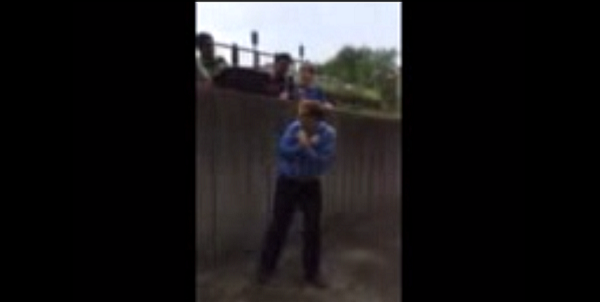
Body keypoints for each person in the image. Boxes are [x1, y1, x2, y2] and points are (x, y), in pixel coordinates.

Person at [257, 101, 336, 288]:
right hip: (288, 182)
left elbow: (322, 163)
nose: (300, 120)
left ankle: (312, 273)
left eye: (304, 117)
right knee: (279, 225)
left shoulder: (328, 134)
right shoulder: (294, 128)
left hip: (310, 184)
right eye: (299, 116)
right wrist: (302, 146)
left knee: (312, 228)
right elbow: (283, 151)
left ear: (315, 119)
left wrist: (307, 148)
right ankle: (265, 268)